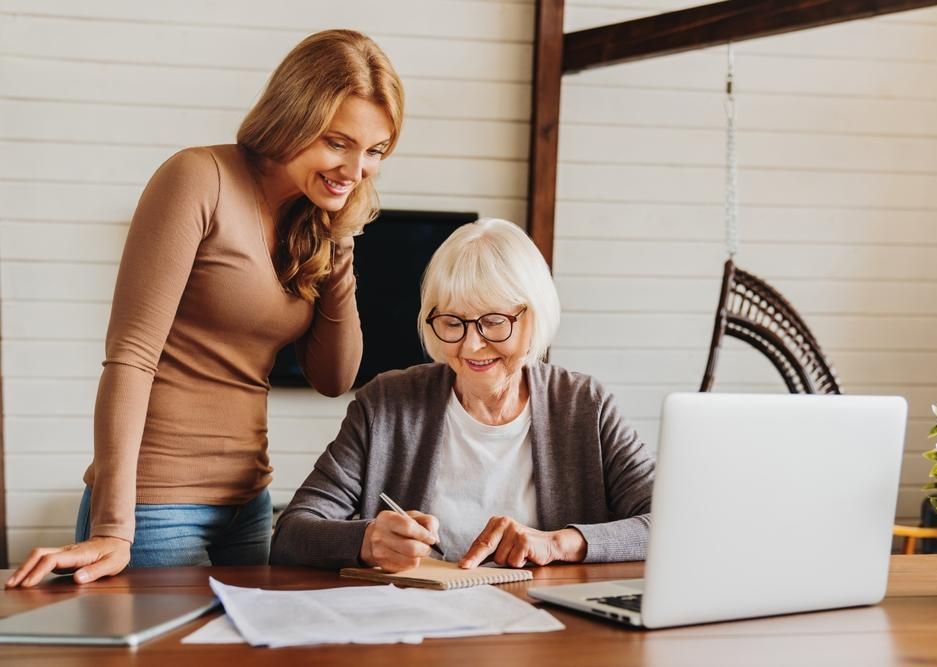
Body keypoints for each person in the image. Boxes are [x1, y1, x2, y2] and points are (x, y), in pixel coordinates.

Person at [7, 30, 404, 588]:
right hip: (156, 506)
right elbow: (131, 356)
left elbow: (335, 378)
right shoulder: (199, 179)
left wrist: (341, 242)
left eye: (375, 151)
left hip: (249, 502)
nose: (356, 168)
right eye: (338, 143)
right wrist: (114, 527)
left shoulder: (314, 221)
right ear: (293, 118)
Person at [270, 219, 654, 572]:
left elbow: (669, 522)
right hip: (417, 624)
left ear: (533, 316)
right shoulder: (386, 404)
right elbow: (291, 534)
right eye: (452, 322)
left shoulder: (584, 405)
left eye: (493, 322)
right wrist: (366, 540)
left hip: (549, 630)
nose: (471, 345)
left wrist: (560, 543)